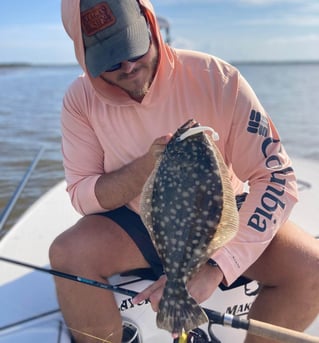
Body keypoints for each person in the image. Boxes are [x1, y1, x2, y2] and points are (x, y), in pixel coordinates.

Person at [49, 0, 319, 342]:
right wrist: (147, 166)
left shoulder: (218, 78)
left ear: (150, 26)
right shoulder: (80, 99)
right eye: (112, 60)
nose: (129, 67)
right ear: (83, 57)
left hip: (218, 215)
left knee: (311, 267)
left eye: (134, 48)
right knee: (68, 253)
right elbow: (83, 196)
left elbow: (276, 176)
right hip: (137, 222)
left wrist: (217, 266)